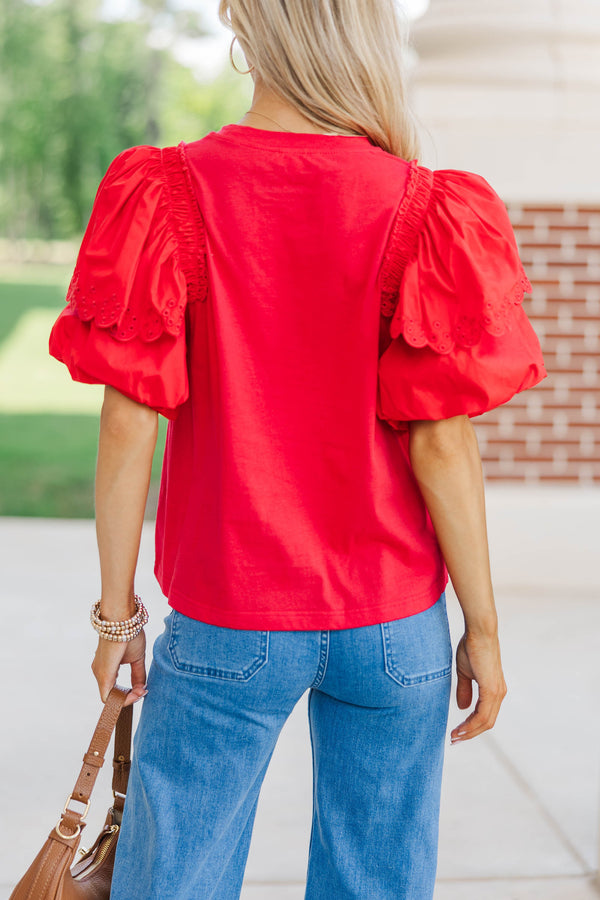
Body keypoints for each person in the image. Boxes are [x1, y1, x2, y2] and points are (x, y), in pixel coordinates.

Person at [48, 1, 547, 897]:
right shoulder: (427, 205)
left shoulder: (165, 191)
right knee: (376, 880)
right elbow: (442, 442)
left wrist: (118, 615)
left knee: (176, 878)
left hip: (231, 613)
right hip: (395, 625)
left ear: (245, 30)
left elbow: (130, 418)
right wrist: (482, 625)